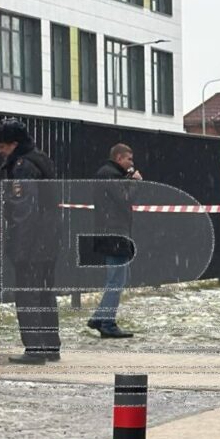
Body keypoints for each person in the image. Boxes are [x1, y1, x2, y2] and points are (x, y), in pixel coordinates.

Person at [0, 118, 62, 363]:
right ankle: (50, 345)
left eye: (3, 146)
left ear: (14, 144)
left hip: (31, 242)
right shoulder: (40, 159)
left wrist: (19, 248)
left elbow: (24, 210)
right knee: (45, 292)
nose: (0, 151)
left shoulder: (23, 167)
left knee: (27, 294)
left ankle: (34, 348)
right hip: (48, 239)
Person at [88, 144, 140, 338]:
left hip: (112, 233)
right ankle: (107, 323)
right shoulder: (110, 175)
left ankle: (99, 317)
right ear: (119, 158)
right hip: (115, 234)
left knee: (119, 278)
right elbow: (125, 198)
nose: (131, 164)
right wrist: (135, 183)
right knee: (116, 280)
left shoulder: (108, 174)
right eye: (129, 159)